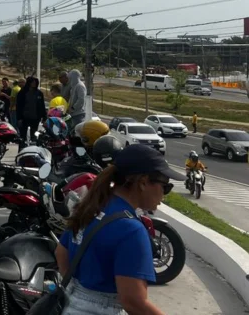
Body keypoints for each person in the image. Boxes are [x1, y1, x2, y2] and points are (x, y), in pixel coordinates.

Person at [56, 144, 181, 314]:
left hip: (71, 305)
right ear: (143, 182)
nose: (164, 195)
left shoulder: (92, 207)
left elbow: (61, 253)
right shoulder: (131, 230)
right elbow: (134, 302)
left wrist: (80, 292)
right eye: (165, 187)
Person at [15, 76, 46, 148]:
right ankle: (21, 151)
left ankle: (33, 152)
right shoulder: (22, 92)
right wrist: (19, 118)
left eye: (35, 83)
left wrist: (44, 117)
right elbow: (18, 106)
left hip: (35, 118)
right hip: (24, 118)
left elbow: (42, 106)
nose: (34, 84)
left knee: (34, 136)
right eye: (32, 82)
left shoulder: (39, 93)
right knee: (22, 137)